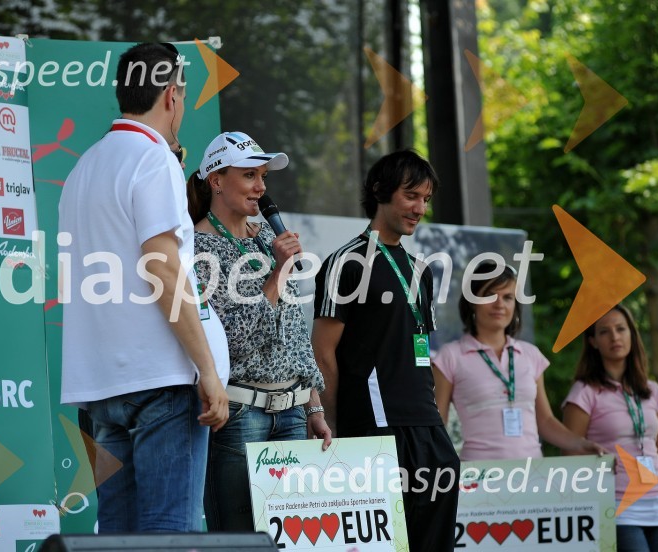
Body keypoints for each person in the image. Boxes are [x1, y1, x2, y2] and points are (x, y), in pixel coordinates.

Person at [58, 42, 230, 533]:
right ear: (172, 95)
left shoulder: (82, 167)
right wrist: (208, 370)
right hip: (160, 382)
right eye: (183, 95)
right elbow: (165, 271)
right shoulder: (153, 160)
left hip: (100, 387)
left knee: (118, 534)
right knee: (168, 534)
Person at [311, 149, 459, 552]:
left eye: (426, 199)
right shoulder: (346, 263)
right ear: (380, 191)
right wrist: (332, 424)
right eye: (411, 196)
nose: (419, 208)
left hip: (428, 426)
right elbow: (322, 354)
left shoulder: (420, 270)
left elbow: (419, 349)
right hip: (375, 426)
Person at [187, 131, 331, 531]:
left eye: (263, 176)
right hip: (240, 415)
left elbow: (294, 332)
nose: (261, 187)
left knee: (290, 539)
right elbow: (230, 341)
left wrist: (314, 405)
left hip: (292, 414)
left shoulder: (268, 238)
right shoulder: (197, 247)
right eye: (250, 175)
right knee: (239, 537)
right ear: (216, 180)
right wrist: (278, 273)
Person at [432, 261, 605, 460]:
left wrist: (581, 444)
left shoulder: (530, 354)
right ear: (472, 301)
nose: (500, 304)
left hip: (532, 472)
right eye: (490, 295)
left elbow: (545, 421)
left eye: (508, 297)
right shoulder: (450, 356)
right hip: (478, 473)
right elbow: (438, 424)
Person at [563, 305, 658, 550]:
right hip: (615, 504)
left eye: (621, 329)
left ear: (632, 334)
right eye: (605, 332)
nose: (615, 337)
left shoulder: (652, 390)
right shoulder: (584, 392)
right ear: (593, 341)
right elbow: (570, 454)